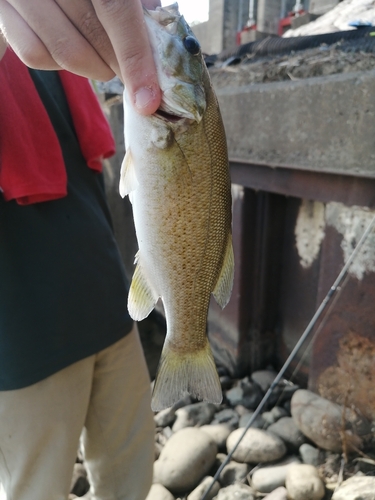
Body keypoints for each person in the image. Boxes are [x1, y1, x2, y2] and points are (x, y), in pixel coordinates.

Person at [0, 2, 159, 497]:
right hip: (23, 341)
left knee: (131, 468)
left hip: (109, 307)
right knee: (36, 485)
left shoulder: (72, 55)